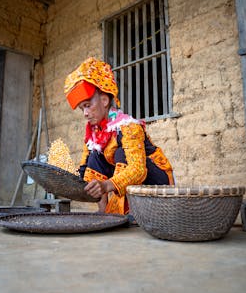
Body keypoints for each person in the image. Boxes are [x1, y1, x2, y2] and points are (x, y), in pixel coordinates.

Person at [64, 57, 174, 215]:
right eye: (82, 109)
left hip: (157, 180)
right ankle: (103, 212)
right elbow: (84, 168)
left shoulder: (128, 126)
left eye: (88, 106)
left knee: (120, 153)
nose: (85, 114)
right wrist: (69, 183)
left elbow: (138, 170)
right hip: (129, 180)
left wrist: (106, 185)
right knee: (95, 156)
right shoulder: (93, 134)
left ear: (104, 100)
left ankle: (122, 212)